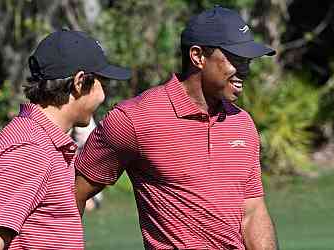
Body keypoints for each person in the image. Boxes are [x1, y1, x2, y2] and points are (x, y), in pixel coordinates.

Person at [75, 6, 279, 250]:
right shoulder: (135, 118)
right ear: (198, 56)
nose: (244, 71)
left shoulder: (242, 123)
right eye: (235, 59)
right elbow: (72, 195)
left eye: (247, 61)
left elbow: (252, 211)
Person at [0, 30, 131, 250]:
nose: (103, 95)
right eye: (102, 83)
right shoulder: (31, 150)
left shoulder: (35, 139)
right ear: (79, 82)